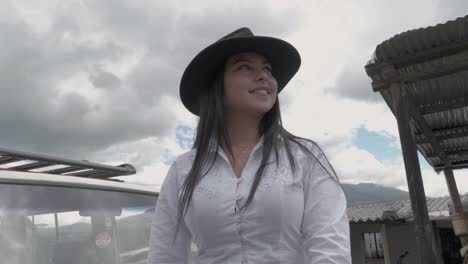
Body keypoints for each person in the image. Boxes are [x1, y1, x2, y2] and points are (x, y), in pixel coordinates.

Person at [149, 27, 351, 263]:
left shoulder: (305, 157)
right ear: (217, 84)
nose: (264, 76)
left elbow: (330, 248)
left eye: (267, 69)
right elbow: (165, 255)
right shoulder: (183, 170)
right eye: (244, 67)